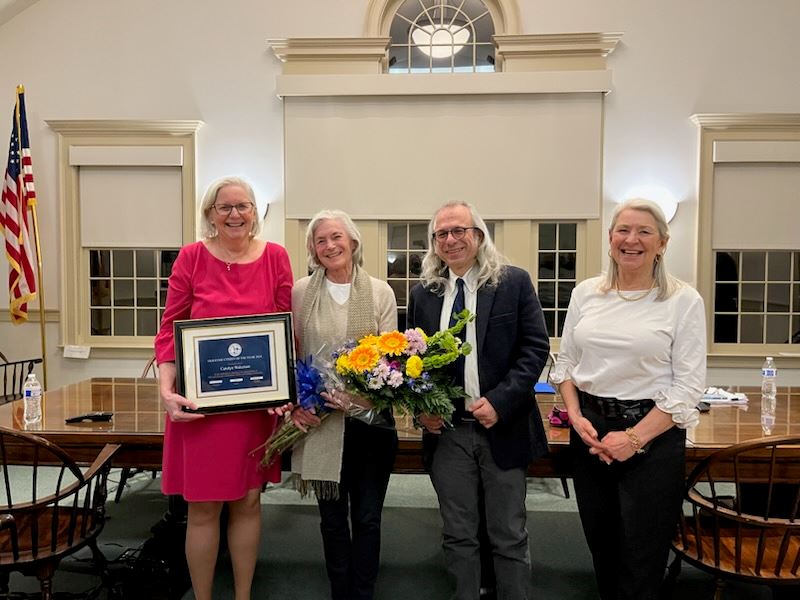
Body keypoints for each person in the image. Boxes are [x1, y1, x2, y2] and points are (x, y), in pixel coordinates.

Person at [551, 198, 706, 600]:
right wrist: (574, 415)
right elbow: (566, 363)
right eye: (623, 230)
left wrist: (633, 439)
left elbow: (688, 387)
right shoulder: (586, 293)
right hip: (589, 433)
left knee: (642, 555)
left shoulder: (683, 300)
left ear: (662, 243)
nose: (631, 240)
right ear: (609, 238)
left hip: (652, 437)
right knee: (602, 546)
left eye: (643, 232)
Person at [154, 176, 293, 600]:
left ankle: (243, 596)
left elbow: (286, 333)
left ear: (255, 212)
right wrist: (166, 391)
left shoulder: (276, 257)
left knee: (249, 503)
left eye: (243, 206)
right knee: (203, 508)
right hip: (201, 411)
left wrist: (284, 387)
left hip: (254, 410)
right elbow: (169, 330)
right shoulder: (192, 258)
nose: (235, 214)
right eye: (224, 207)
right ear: (210, 214)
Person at [407, 200, 550, 600]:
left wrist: (500, 401)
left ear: (479, 236)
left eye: (460, 231)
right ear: (434, 243)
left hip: (502, 429)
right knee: (458, 534)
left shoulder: (513, 283)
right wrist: (422, 411)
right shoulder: (424, 295)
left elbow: (534, 350)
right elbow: (414, 364)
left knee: (508, 535)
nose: (451, 240)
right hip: (448, 434)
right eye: (442, 234)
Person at [290, 209, 399, 600]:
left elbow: (393, 359)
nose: (329, 245)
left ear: (353, 243)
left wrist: (358, 397)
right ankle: (340, 592)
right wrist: (299, 402)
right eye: (320, 240)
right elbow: (295, 353)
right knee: (332, 520)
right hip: (321, 424)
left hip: (371, 425)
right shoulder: (301, 292)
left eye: (336, 237)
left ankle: (363, 592)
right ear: (313, 250)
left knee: (367, 519)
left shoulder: (381, 292)